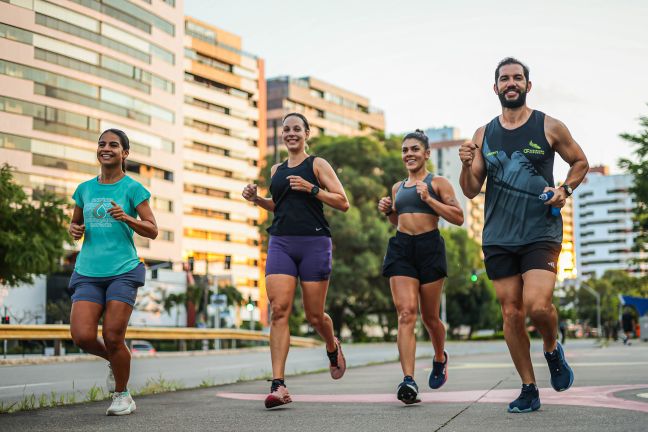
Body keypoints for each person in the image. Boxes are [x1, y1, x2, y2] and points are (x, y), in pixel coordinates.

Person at [459, 57, 589, 413]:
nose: (511, 83)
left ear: (528, 86)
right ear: (496, 87)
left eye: (518, 78)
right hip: (498, 236)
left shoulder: (549, 126)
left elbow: (580, 162)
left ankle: (551, 348)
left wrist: (565, 189)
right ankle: (528, 387)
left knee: (536, 305)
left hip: (540, 231)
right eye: (505, 78)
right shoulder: (483, 134)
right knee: (512, 313)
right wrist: (466, 162)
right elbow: (471, 190)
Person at [242, 113, 350, 409]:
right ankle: (279, 385)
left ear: (306, 133)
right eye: (286, 129)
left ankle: (332, 344)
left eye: (296, 129)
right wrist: (256, 200)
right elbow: (278, 206)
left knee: (315, 316)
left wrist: (312, 188)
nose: (291, 133)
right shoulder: (276, 169)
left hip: (315, 243)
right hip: (281, 242)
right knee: (279, 310)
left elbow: (343, 202)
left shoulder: (317, 164)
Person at [68, 129, 158, 416]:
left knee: (113, 335)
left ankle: (123, 395)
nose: (106, 148)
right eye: (102, 144)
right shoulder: (84, 189)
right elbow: (75, 226)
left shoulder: (132, 188)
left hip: (123, 270)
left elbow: (153, 230)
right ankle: (115, 360)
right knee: (81, 336)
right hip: (88, 270)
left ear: (125, 153)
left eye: (113, 145)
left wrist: (127, 217)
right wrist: (73, 230)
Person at [378, 129, 464, 404]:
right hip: (402, 249)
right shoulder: (397, 187)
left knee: (430, 318)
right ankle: (409, 381)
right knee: (406, 313)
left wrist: (429, 199)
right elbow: (398, 220)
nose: (409, 154)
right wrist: (389, 211)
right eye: (405, 150)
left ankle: (440, 357)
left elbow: (458, 217)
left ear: (426, 154)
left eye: (414, 149)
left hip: (429, 248)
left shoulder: (437, 182)